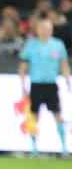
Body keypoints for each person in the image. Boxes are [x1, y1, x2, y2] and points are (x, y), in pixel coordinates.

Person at [18, 14, 70, 155]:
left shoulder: (58, 45)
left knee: (58, 115)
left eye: (48, 28)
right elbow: (23, 66)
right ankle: (34, 147)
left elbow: (64, 64)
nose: (45, 31)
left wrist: (67, 79)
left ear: (52, 30)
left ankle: (64, 146)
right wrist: (22, 85)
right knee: (34, 116)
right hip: (36, 85)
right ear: (38, 29)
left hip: (51, 85)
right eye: (42, 28)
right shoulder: (31, 45)